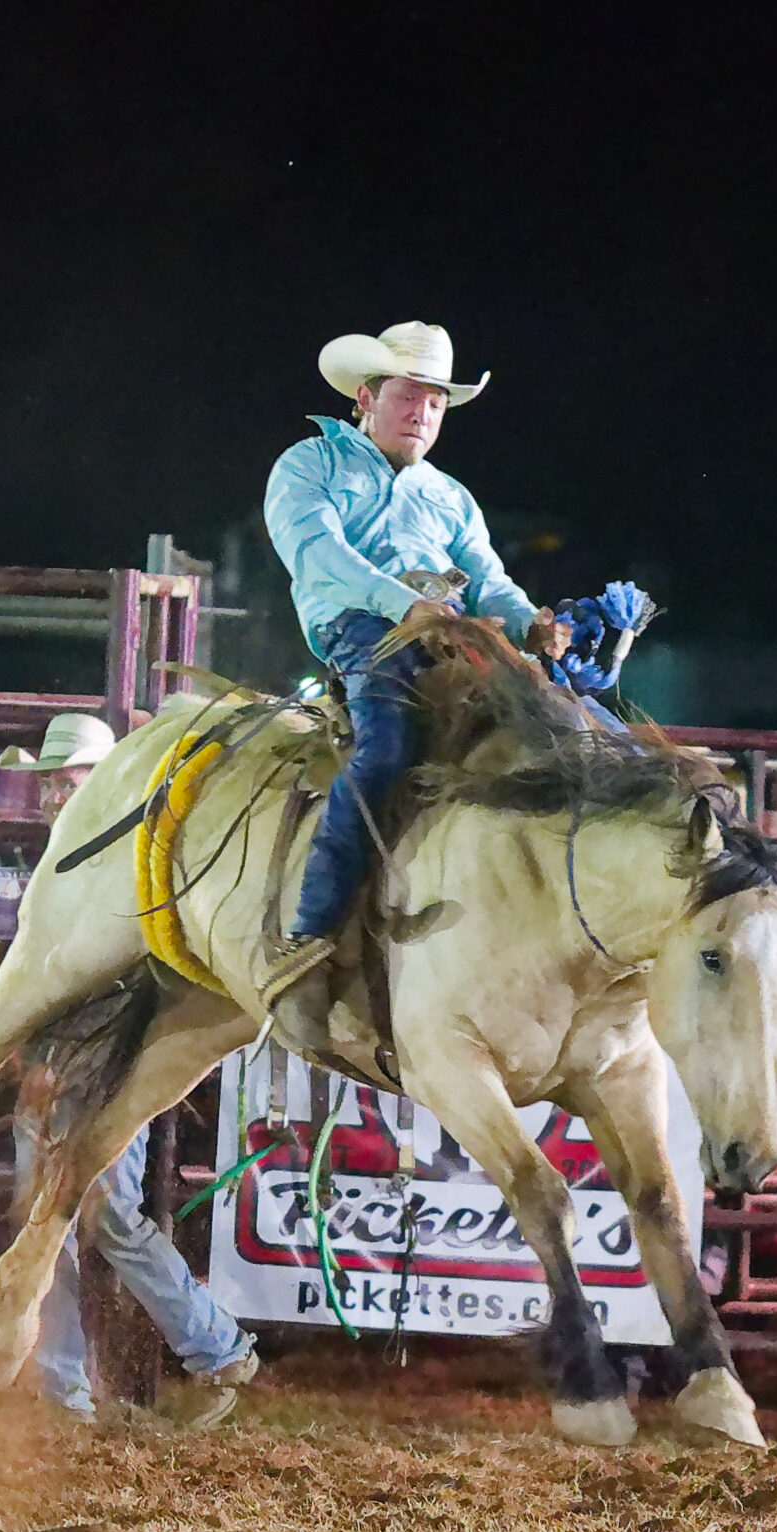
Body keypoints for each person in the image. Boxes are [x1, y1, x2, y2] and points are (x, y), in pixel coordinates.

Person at [257, 321, 571, 1041]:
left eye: (435, 401)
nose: (424, 412)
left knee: (551, 734)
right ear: (366, 396)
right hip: (363, 629)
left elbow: (488, 579)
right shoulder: (311, 466)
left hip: (451, 636)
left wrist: (531, 625)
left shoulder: (451, 498)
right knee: (386, 748)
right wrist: (405, 603)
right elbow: (317, 554)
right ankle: (309, 939)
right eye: (410, 396)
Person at [0, 713, 262, 1427]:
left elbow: (127, 983)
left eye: (66, 779)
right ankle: (67, 1392)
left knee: (104, 1215)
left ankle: (217, 1347)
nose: (54, 793)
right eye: (50, 781)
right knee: (47, 1225)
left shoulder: (135, 868)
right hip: (58, 1070)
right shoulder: (69, 864)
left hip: (107, 1071)